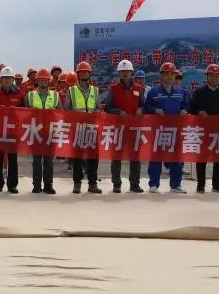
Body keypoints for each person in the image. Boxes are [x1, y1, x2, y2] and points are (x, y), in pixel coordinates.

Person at [143, 61, 190, 193]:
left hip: (176, 130)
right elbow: (147, 107)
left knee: (176, 158)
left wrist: (185, 110)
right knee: (156, 157)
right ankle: (154, 184)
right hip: (159, 130)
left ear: (175, 76)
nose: (169, 76)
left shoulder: (181, 92)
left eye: (172, 74)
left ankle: (175, 185)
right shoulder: (154, 91)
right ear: (161, 75)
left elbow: (187, 105)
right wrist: (155, 110)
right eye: (166, 73)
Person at [189, 64, 219, 194]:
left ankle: (217, 184)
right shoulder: (199, 92)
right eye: (212, 75)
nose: (215, 78)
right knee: (202, 158)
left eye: (217, 76)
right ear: (207, 77)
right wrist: (199, 112)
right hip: (203, 131)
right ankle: (201, 184)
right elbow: (191, 109)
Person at [102, 59, 145, 194]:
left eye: (127, 71)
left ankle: (134, 184)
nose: (125, 73)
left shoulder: (139, 89)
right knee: (116, 157)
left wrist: (140, 109)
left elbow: (144, 105)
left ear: (131, 72)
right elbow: (107, 107)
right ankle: (116, 184)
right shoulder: (113, 89)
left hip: (134, 128)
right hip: (118, 128)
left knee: (135, 157)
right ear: (119, 73)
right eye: (122, 71)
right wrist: (119, 111)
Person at [64, 61, 102, 194]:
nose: (84, 74)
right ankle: (77, 183)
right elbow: (67, 109)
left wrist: (96, 113)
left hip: (92, 129)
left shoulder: (95, 90)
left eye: (86, 72)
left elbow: (98, 107)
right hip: (78, 129)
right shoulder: (71, 90)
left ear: (89, 74)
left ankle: (92, 184)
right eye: (82, 72)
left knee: (93, 158)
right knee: (77, 158)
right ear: (78, 74)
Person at [22, 68, 61, 194]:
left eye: (45, 80)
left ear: (48, 81)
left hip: (50, 132)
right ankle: (37, 185)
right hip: (36, 132)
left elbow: (60, 113)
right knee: (37, 161)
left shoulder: (55, 95)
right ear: (37, 81)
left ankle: (48, 185)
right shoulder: (30, 95)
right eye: (41, 80)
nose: (43, 82)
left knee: (49, 161)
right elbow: (25, 114)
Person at [0, 66, 23, 193]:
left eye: (9, 78)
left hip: (13, 131)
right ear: (1, 80)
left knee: (12, 159)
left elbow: (24, 113)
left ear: (13, 80)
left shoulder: (20, 94)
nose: (7, 80)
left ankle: (12, 185)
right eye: (5, 78)